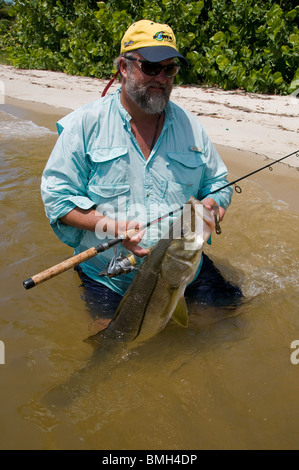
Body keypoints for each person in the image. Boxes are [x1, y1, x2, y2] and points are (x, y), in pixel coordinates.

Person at [41, 20, 242, 319]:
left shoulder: (191, 127)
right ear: (123, 67)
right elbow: (57, 201)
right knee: (113, 356)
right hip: (109, 276)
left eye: (170, 68)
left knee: (233, 321)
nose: (161, 77)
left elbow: (217, 183)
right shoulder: (83, 126)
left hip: (183, 268)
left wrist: (214, 203)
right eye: (150, 67)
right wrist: (113, 227)